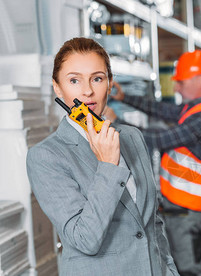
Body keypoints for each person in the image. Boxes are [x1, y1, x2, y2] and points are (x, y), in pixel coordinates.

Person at [26, 37, 179, 276]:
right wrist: (108, 165)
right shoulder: (46, 157)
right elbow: (85, 239)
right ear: (57, 87)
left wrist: (169, 270)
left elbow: (152, 222)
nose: (88, 91)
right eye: (74, 80)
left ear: (109, 84)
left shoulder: (130, 137)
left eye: (97, 78)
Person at [106, 50, 201, 276]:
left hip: (188, 211)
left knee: (192, 270)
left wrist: (116, 122)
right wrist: (126, 98)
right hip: (181, 208)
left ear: (199, 79)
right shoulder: (196, 108)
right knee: (182, 267)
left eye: (180, 82)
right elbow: (163, 110)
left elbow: (158, 140)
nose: (177, 88)